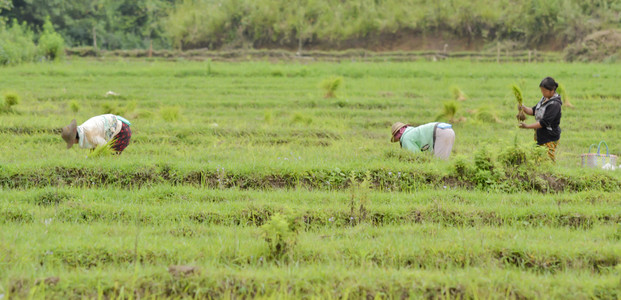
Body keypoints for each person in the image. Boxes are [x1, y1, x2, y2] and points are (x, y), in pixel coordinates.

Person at [518, 77, 562, 161]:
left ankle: (550, 174)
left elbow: (543, 123)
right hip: (541, 135)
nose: (543, 93)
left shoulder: (555, 104)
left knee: (548, 160)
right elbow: (534, 111)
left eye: (544, 91)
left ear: (552, 90)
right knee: (538, 158)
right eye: (541, 91)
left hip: (550, 137)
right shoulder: (544, 99)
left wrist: (527, 126)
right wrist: (523, 107)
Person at [61, 114, 132, 154]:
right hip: (115, 124)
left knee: (112, 156)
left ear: (74, 139)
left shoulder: (89, 135)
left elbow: (104, 146)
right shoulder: (83, 129)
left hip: (122, 131)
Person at [391, 122, 455, 160]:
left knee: (440, 163)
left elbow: (416, 156)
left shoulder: (405, 138)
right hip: (449, 130)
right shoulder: (414, 132)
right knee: (443, 160)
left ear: (400, 132)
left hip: (439, 133)